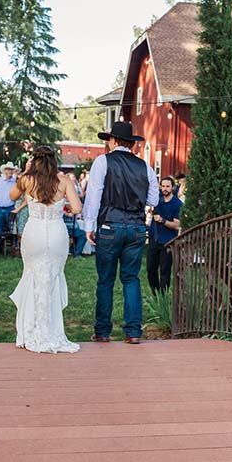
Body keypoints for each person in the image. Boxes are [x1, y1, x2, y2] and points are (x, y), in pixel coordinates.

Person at [83, 121, 159, 344]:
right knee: (131, 279)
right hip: (136, 227)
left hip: (110, 225)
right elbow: (153, 199)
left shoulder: (103, 161)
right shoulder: (144, 166)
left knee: (106, 280)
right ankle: (133, 332)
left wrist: (89, 226)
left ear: (114, 141)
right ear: (131, 143)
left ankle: (102, 331)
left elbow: (94, 196)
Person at [8, 146, 83, 353]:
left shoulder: (27, 179)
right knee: (52, 278)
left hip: (34, 233)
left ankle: (31, 330)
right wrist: (63, 205)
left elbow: (12, 196)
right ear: (54, 160)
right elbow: (77, 208)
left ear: (34, 161)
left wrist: (26, 171)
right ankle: (51, 331)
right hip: (57, 233)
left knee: (32, 276)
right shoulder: (64, 180)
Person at [147, 176, 182, 293]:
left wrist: (162, 220)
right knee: (150, 269)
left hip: (168, 241)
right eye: (163, 186)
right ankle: (155, 294)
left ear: (173, 188)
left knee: (164, 271)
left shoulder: (177, 204)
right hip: (154, 239)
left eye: (167, 186)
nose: (165, 189)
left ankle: (163, 297)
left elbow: (177, 225)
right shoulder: (157, 200)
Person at [0, 163, 17, 253]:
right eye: (8, 169)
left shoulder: (15, 182)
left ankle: (12, 248)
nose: (10, 171)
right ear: (5, 170)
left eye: (11, 169)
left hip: (10, 207)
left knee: (11, 228)